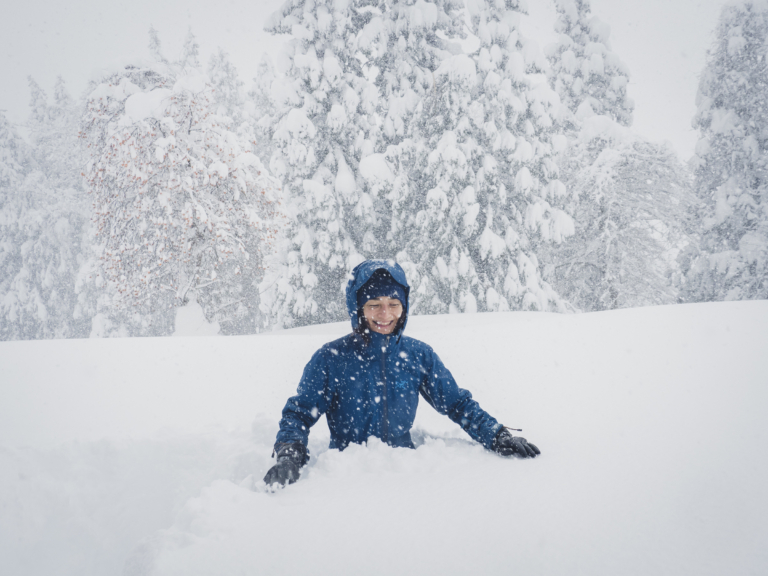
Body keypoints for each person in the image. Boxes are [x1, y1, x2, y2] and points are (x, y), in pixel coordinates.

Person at [264, 260, 540, 487]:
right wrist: (289, 455)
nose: (385, 313)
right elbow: (299, 414)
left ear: (404, 307)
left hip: (406, 479)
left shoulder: (419, 355)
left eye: (393, 304)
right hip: (345, 480)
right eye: (374, 304)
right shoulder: (330, 358)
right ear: (358, 308)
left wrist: (496, 435)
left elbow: (456, 403)